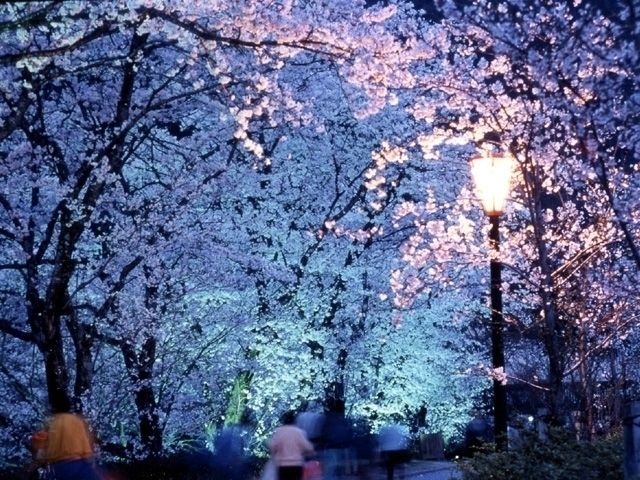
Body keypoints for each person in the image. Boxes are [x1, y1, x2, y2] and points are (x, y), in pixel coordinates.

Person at [39, 400, 101, 480]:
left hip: (57, 468)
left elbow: (41, 450)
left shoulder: (50, 422)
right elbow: (87, 450)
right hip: (78, 465)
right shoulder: (77, 421)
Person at [269, 410, 315, 480]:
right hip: (296, 465)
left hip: (282, 465)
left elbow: (273, 446)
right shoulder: (299, 432)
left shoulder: (279, 432)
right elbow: (308, 448)